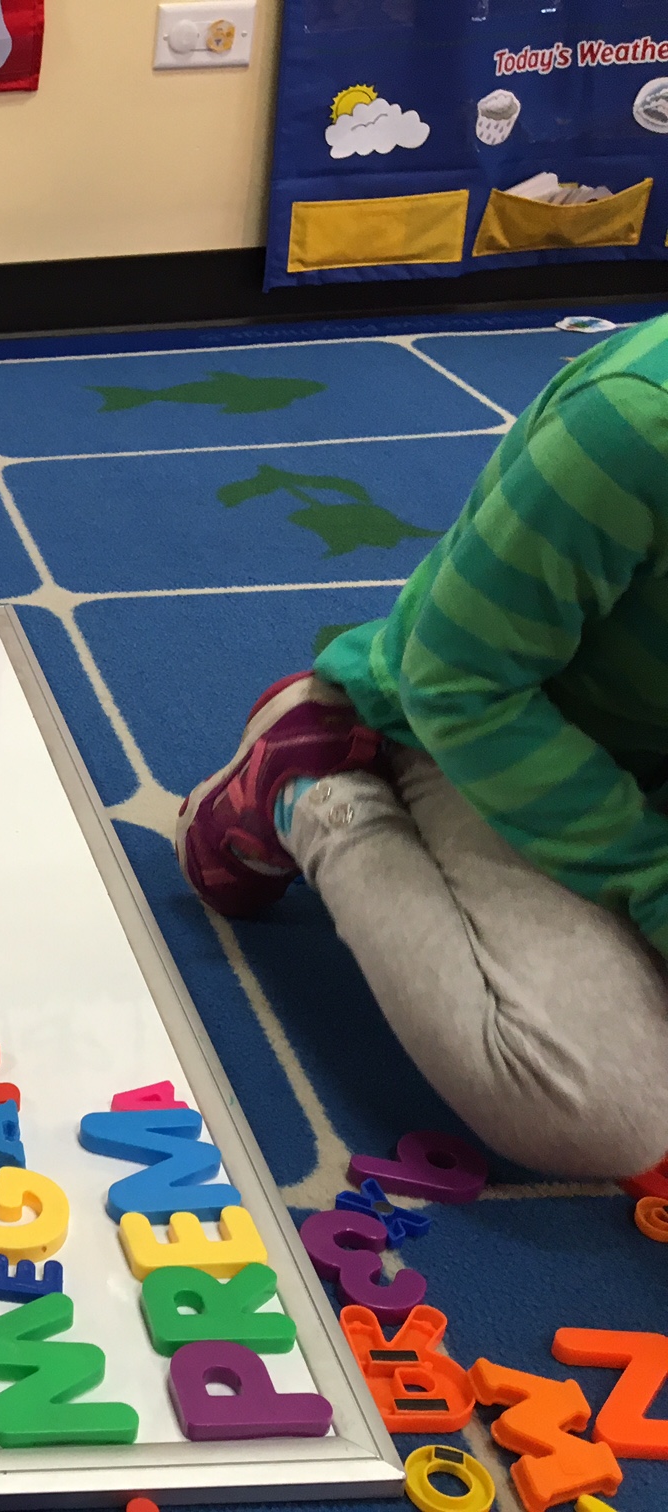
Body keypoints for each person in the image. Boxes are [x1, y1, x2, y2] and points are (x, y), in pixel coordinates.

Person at [177, 312, 668, 1183]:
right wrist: (652, 884)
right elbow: (458, 681)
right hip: (492, 732)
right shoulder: (634, 423)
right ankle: (319, 785)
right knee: (598, 1110)